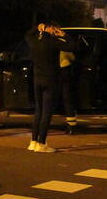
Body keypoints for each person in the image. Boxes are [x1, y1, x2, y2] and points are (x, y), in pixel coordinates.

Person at [25, 22, 75, 153]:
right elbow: (72, 46)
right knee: (46, 113)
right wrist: (64, 34)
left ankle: (33, 141)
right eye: (54, 29)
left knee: (38, 111)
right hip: (50, 80)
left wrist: (36, 27)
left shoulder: (34, 41)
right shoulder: (54, 41)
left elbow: (27, 35)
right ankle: (42, 143)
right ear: (51, 29)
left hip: (37, 79)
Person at [58, 39, 79, 134]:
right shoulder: (63, 43)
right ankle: (71, 126)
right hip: (65, 70)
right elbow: (73, 57)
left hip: (52, 72)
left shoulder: (48, 42)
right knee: (67, 97)